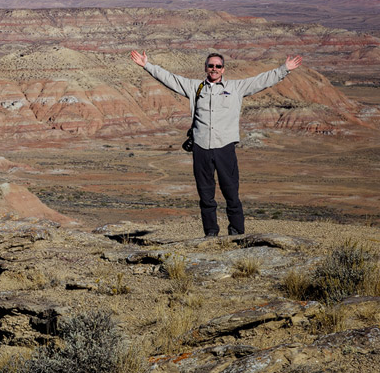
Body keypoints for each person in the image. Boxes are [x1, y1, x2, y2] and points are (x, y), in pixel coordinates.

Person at [130, 50, 303, 236]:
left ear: (223, 69)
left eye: (218, 66)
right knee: (205, 194)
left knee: (231, 191)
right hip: (201, 147)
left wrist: (284, 69)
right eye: (211, 66)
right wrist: (147, 65)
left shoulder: (236, 88)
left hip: (225, 147)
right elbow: (170, 79)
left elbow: (261, 80)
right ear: (206, 68)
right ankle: (211, 232)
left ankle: (236, 230)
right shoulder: (195, 87)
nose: (214, 69)